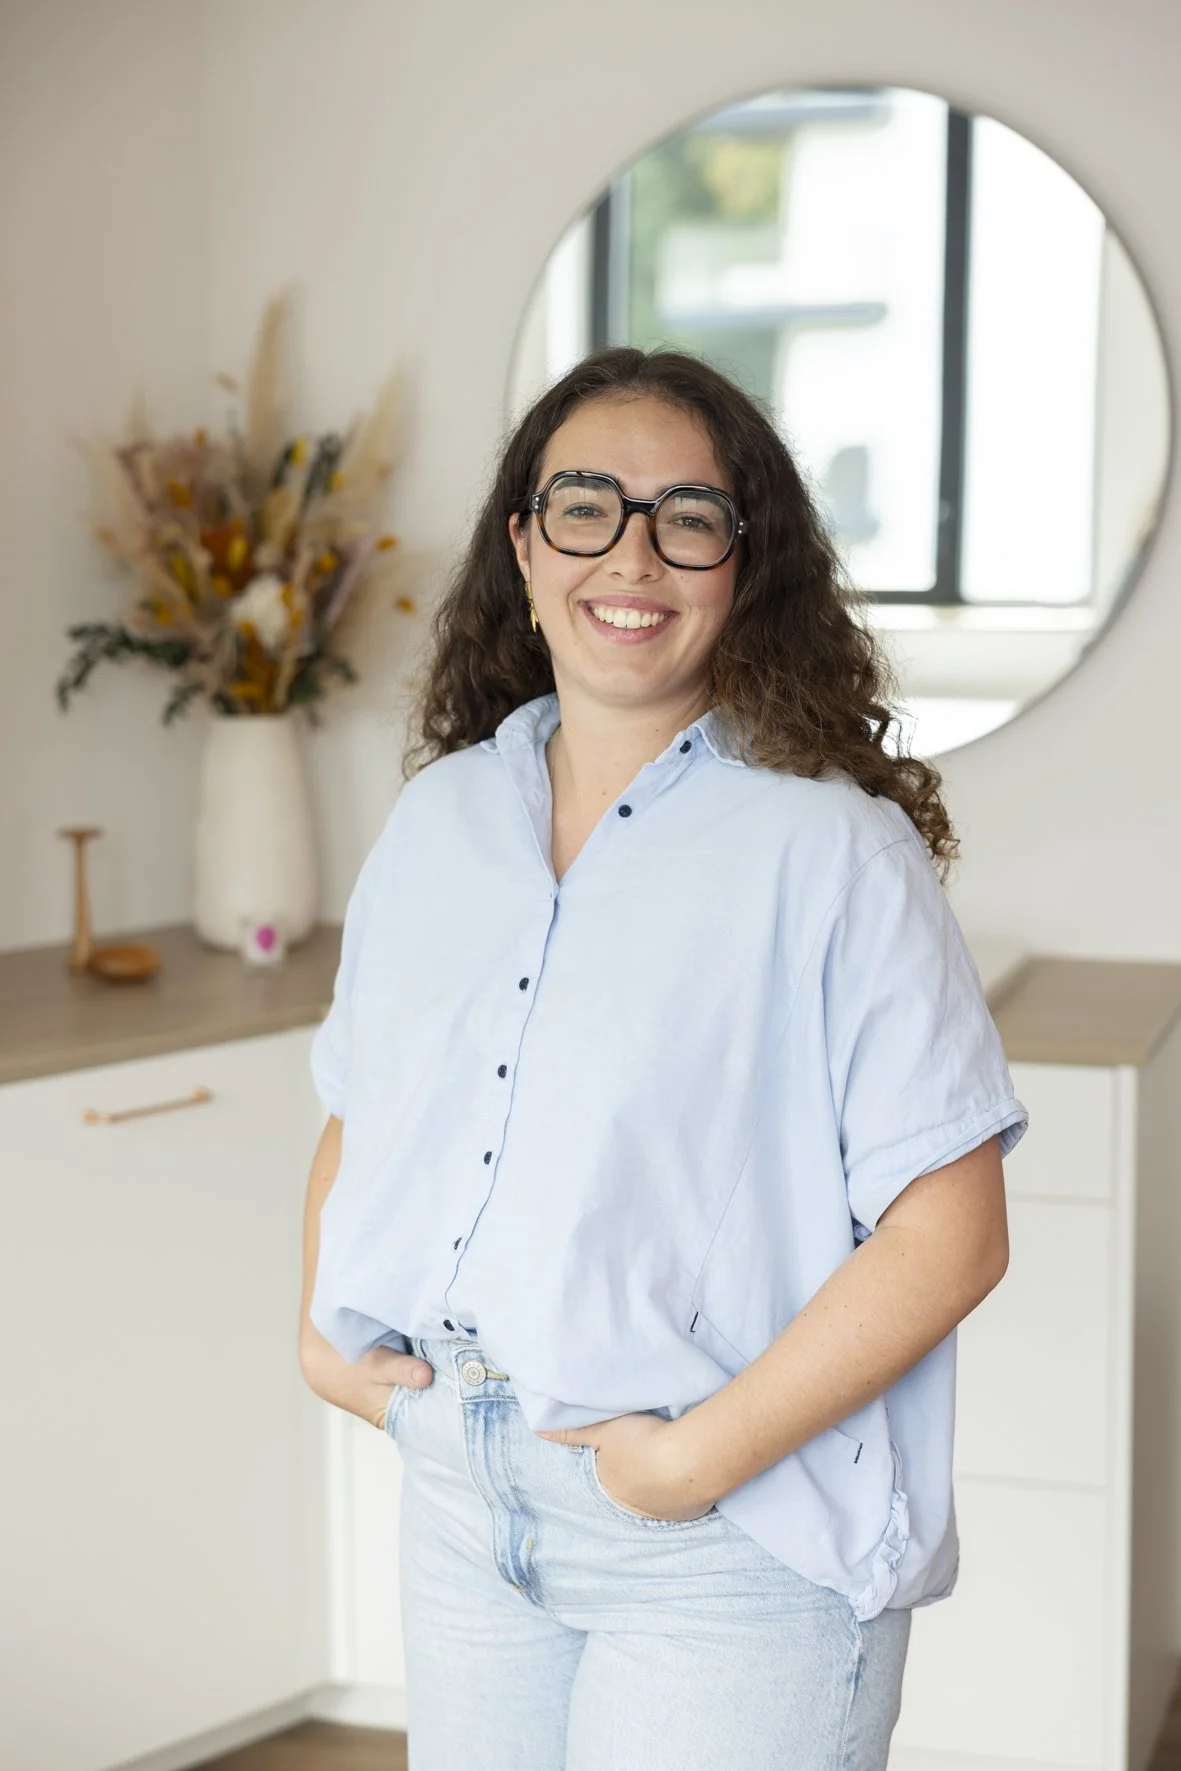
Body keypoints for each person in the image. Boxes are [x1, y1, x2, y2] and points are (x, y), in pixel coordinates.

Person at [297, 346, 1028, 1771]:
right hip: (465, 1498)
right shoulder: (443, 819)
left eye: (687, 515)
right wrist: (320, 1330)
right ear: (523, 542)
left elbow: (951, 1238)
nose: (633, 553)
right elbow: (365, 1103)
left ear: (742, 565)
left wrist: (689, 1462)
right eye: (587, 505)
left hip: (721, 1535)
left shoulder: (831, 849)